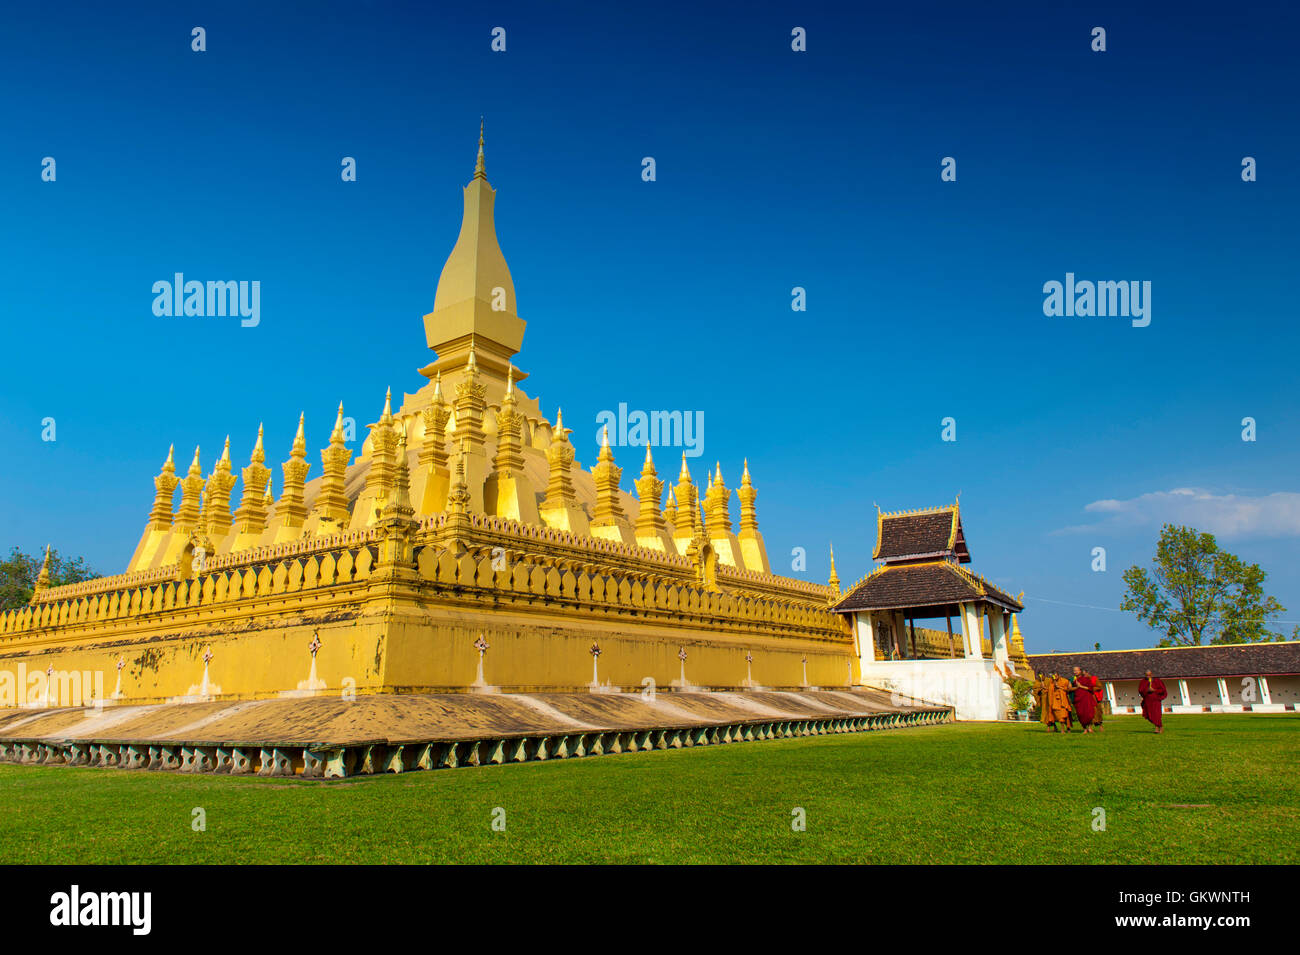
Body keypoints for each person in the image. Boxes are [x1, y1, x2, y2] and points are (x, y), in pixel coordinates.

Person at [1138, 669, 1167, 734]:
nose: (1148, 676)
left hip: (1156, 701)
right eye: (1147, 675)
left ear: (1152, 675)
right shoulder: (1143, 682)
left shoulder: (1157, 681)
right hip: (1148, 701)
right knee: (1149, 715)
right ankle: (1157, 727)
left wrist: (1154, 690)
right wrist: (1147, 690)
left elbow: (1163, 690)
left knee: (1157, 715)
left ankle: (1160, 727)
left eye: (1149, 675)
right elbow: (1140, 690)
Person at [1070, 666, 1098, 733]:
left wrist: (1081, 686)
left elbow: (1090, 688)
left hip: (1086, 698)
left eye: (1077, 670)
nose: (1075, 672)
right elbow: (1070, 689)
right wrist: (1076, 687)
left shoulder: (1086, 679)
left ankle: (1090, 727)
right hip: (1078, 699)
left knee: (1088, 713)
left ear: (1080, 671)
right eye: (1074, 670)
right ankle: (1084, 728)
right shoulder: (1073, 680)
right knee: (1080, 714)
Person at [1083, 667, 1105, 731]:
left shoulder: (1095, 679)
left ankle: (1100, 725)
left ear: (1087, 673)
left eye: (1084, 674)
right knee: (1089, 712)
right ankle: (1090, 727)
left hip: (1095, 697)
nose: (1084, 676)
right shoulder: (1083, 680)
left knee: (1098, 712)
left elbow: (1099, 687)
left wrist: (1090, 689)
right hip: (1087, 698)